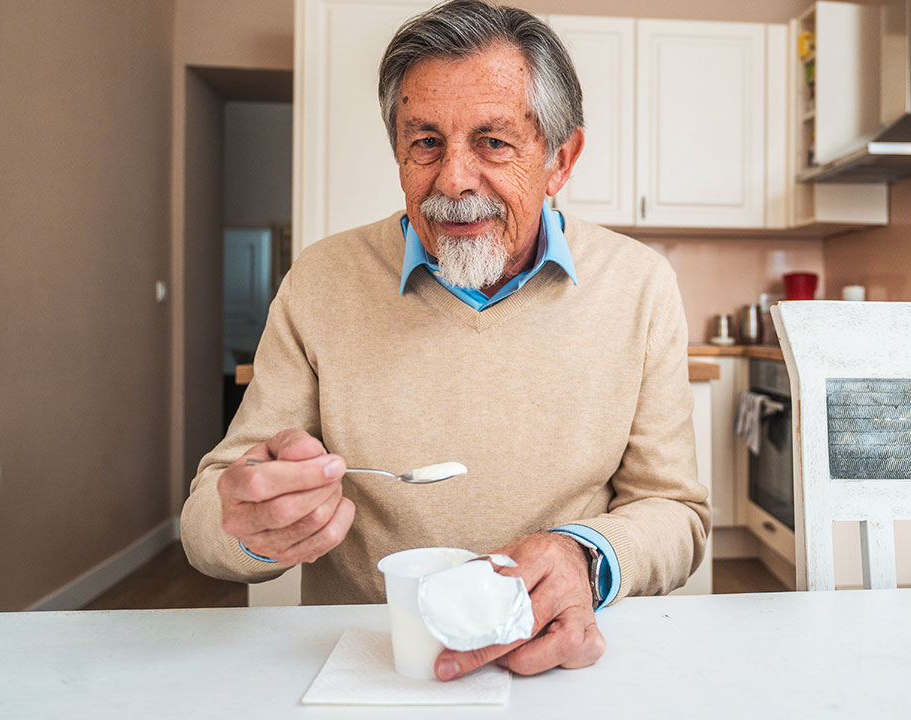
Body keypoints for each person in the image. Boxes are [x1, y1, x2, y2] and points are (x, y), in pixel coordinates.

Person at [180, 0, 709, 681]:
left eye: (493, 142)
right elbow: (207, 520)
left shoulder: (639, 285)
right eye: (425, 142)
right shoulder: (321, 280)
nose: (453, 180)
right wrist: (253, 527)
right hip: (377, 664)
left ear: (561, 158)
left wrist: (584, 557)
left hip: (557, 659)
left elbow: (676, 513)